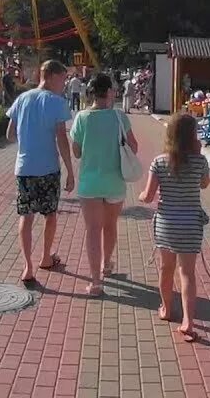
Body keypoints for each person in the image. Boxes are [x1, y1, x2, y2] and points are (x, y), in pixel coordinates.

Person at [139, 113, 210, 342]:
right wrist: (199, 155)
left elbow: (148, 197)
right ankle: (188, 321)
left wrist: (141, 195)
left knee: (166, 268)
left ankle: (167, 308)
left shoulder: (159, 162)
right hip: (190, 224)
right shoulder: (199, 161)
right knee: (187, 273)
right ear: (192, 136)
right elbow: (204, 184)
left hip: (167, 223)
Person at [6, 60, 76, 286]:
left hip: (24, 168)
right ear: (53, 76)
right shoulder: (56, 102)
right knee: (50, 214)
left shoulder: (22, 99)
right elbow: (62, 139)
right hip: (48, 168)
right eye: (63, 79)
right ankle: (46, 257)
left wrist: (28, 138)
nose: (64, 84)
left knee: (25, 217)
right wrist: (70, 171)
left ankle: (27, 266)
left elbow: (10, 134)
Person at [70, 74, 138, 296]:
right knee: (110, 226)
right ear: (110, 92)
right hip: (115, 182)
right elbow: (134, 147)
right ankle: (106, 263)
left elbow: (77, 152)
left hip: (89, 183)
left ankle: (96, 282)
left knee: (92, 230)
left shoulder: (82, 118)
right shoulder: (119, 117)